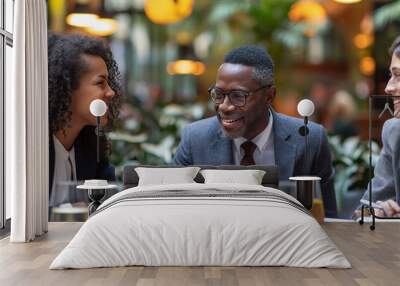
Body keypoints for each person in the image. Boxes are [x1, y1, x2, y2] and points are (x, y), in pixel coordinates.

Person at [173, 45, 337, 217]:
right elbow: (173, 212)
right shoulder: (196, 139)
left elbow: (330, 219)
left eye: (238, 96)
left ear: (269, 96)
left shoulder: (311, 141)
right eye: (219, 94)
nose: (224, 106)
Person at [48, 32, 122, 208]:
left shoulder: (92, 148)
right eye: (100, 83)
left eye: (109, 83)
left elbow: (110, 203)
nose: (111, 92)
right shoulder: (33, 150)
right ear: (67, 87)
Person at [357, 36, 400, 217]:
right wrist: (379, 213)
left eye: (398, 75)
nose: (388, 88)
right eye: (392, 75)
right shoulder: (394, 132)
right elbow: (362, 214)